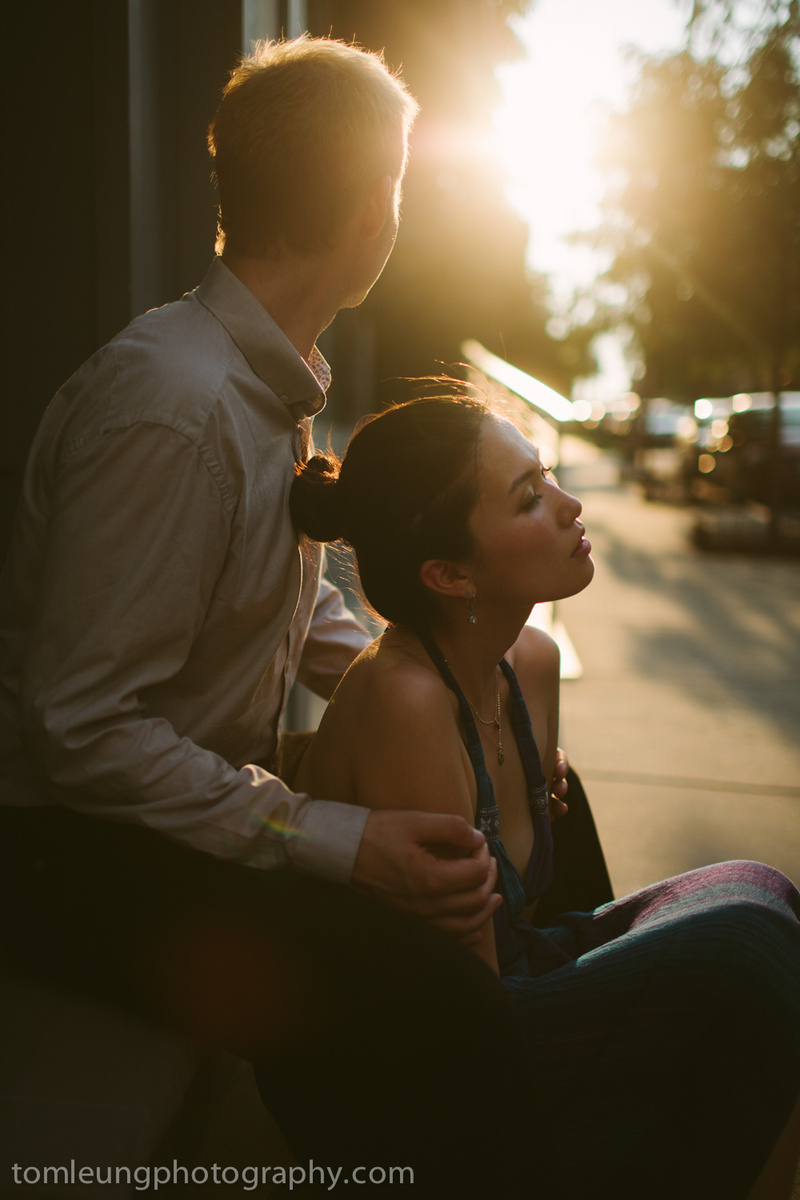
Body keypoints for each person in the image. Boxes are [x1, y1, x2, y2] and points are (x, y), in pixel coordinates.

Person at [0, 37, 578, 1198]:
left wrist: (452, 687)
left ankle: (569, 1010)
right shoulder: (172, 404)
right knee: (430, 995)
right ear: (377, 204)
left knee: (526, 771)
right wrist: (331, 838)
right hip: (74, 852)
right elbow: (79, 729)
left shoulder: (262, 383)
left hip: (181, 806)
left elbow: (275, 601)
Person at [290, 393, 800, 1200]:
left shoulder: (525, 660)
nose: (572, 507)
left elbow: (521, 929)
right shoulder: (405, 702)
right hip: (430, 1070)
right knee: (749, 955)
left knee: (764, 892)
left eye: (550, 478)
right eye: (530, 497)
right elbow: (471, 1019)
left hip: (509, 987)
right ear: (450, 573)